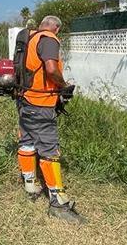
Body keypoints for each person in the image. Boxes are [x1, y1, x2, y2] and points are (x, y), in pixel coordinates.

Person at [16, 15, 86, 224]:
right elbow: (51, 69)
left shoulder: (30, 38)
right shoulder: (49, 39)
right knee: (49, 149)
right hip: (41, 102)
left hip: (24, 98)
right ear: (55, 28)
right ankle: (58, 202)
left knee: (27, 142)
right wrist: (63, 86)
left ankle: (30, 185)